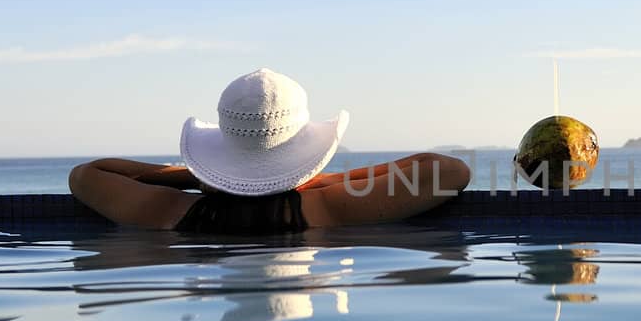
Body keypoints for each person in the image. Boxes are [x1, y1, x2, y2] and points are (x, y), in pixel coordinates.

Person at [69, 68, 470, 232]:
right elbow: (448, 171)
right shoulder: (328, 208)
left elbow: (87, 174)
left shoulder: (169, 212)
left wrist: (200, 178)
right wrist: (322, 179)